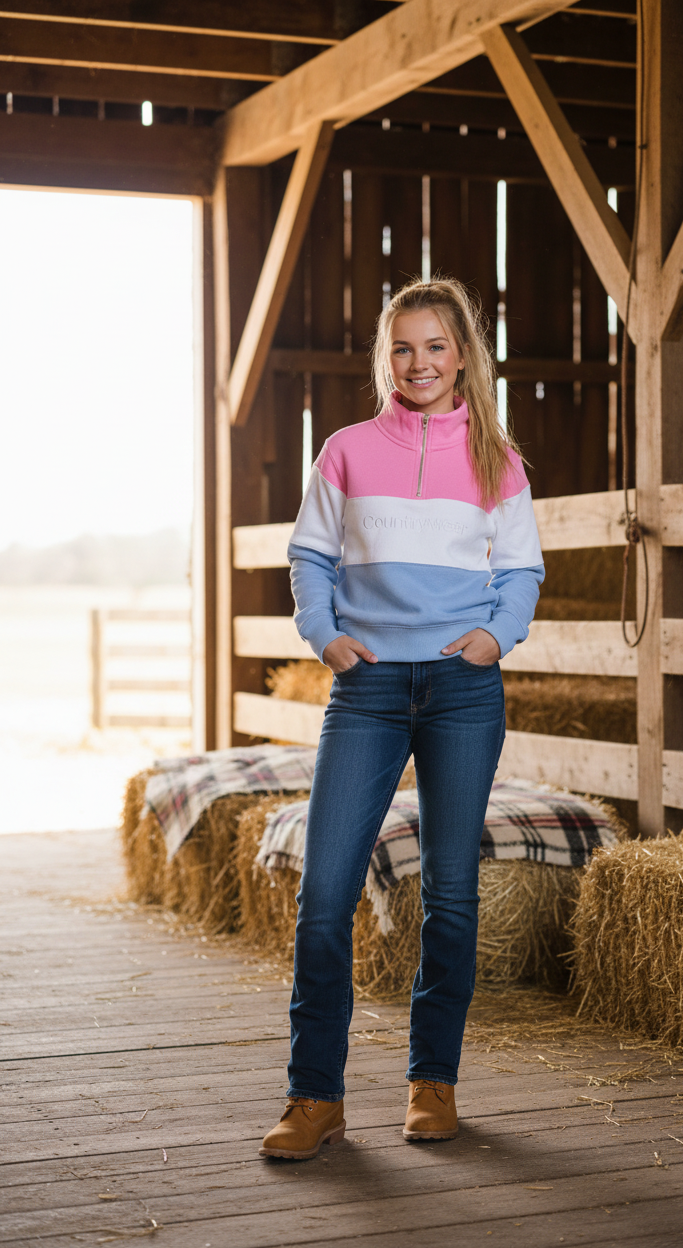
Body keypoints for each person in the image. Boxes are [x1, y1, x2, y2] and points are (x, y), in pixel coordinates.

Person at [259, 277, 544, 1160]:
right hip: (369, 688)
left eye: (434, 347)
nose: (417, 364)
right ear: (385, 356)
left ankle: (433, 1081)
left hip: (462, 691)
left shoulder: (499, 460)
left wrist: (497, 639)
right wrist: (325, 637)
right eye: (402, 348)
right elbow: (309, 555)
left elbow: (521, 572)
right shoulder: (344, 450)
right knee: (324, 895)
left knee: (451, 897)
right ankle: (316, 1099)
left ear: (461, 356)